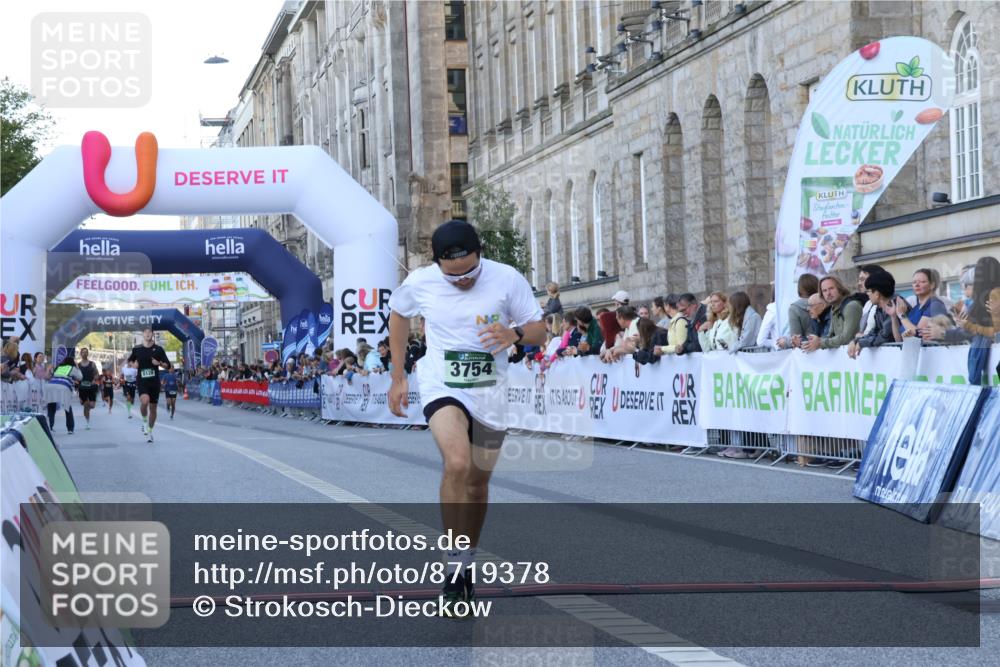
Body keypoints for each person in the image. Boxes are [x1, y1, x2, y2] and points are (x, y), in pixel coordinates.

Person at [386, 220, 545, 618]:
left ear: (481, 252)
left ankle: (466, 560)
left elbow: (540, 330)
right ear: (437, 263)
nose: (461, 281)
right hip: (443, 383)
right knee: (456, 461)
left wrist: (514, 335)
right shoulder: (421, 282)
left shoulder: (507, 278)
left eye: (469, 274)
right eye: (452, 275)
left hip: (491, 391)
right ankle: (453, 567)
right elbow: (398, 316)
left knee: (477, 485)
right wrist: (399, 374)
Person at [127, 327, 170, 443]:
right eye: (145, 332)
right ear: (142, 335)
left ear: (152, 334)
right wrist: (133, 364)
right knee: (145, 401)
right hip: (142, 381)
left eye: (149, 332)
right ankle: (144, 421)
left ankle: (150, 431)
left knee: (153, 409)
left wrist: (159, 363)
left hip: (154, 383)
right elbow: (129, 361)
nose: (147, 334)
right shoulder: (137, 349)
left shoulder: (159, 349)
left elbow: (168, 365)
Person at [848, 270, 902, 357]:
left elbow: (885, 337)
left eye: (868, 292)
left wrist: (862, 343)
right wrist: (856, 341)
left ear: (877, 294)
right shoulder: (879, 308)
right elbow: (875, 331)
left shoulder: (895, 305)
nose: (867, 295)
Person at [801, 276, 862, 352]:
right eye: (824, 291)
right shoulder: (834, 308)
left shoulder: (851, 306)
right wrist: (811, 342)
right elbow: (830, 335)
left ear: (840, 288)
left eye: (831, 288)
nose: (828, 293)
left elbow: (847, 338)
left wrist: (820, 342)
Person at [896, 268, 950, 339]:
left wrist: (902, 315)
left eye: (922, 282)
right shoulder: (915, 308)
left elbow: (919, 335)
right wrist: (893, 316)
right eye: (914, 282)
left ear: (932, 285)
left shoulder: (935, 305)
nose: (917, 285)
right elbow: (898, 338)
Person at [778, 274, 820, 349]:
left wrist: (785, 341)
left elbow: (796, 338)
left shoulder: (794, 308)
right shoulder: (825, 303)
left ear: (799, 289)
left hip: (807, 352)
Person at [46, 356, 82, 434]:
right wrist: (77, 366)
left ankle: (50, 427)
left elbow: (53, 375)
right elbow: (80, 377)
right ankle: (70, 428)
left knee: (51, 408)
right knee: (67, 408)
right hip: (64, 387)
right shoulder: (72, 368)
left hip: (51, 386)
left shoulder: (59, 368)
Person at [76, 348, 99, 429]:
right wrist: (76, 381)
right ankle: (87, 422)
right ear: (80, 354)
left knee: (92, 405)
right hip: (82, 388)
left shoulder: (92, 364)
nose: (84, 354)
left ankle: (87, 409)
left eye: (86, 352)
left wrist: (94, 379)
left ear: (88, 354)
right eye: (83, 352)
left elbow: (96, 374)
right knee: (86, 405)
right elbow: (76, 375)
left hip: (91, 387)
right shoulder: (78, 365)